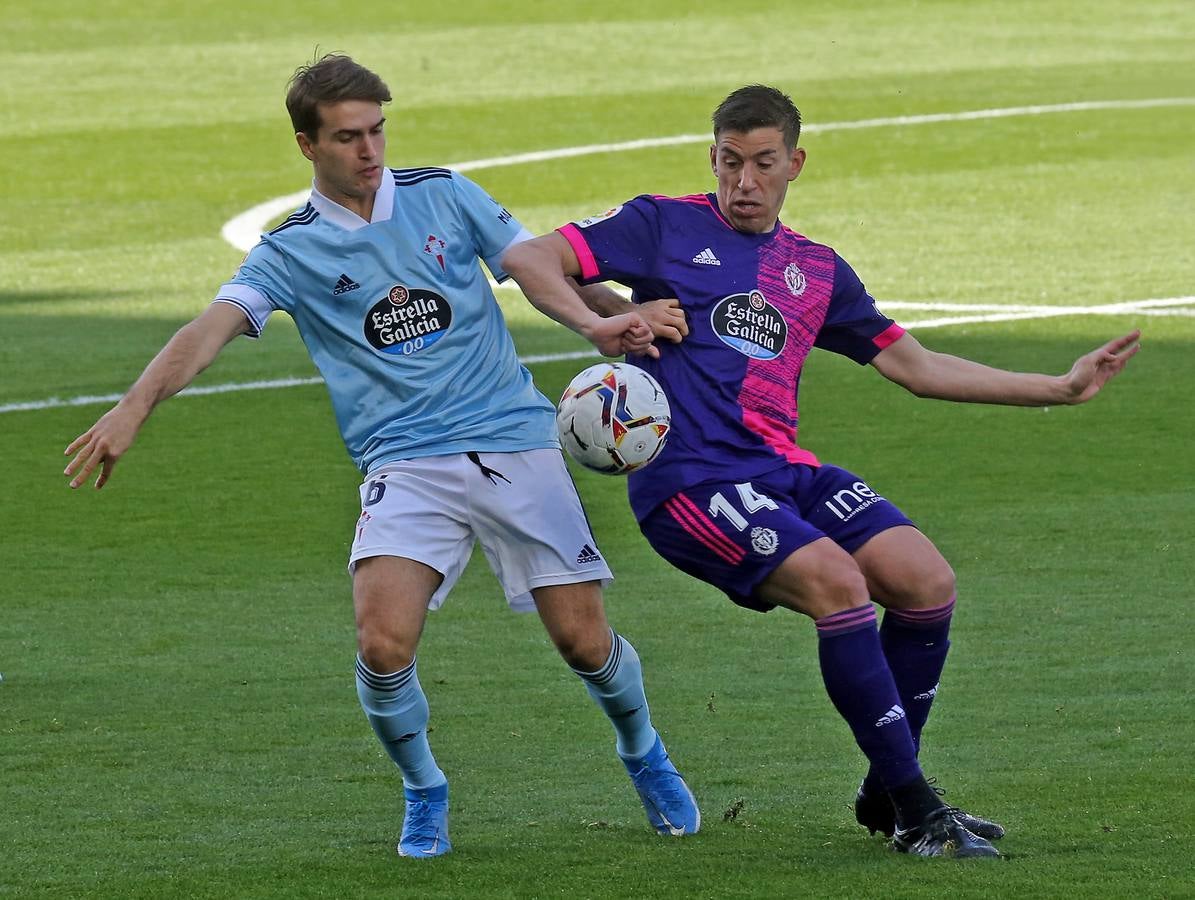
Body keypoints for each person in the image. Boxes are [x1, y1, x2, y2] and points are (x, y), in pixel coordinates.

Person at [62, 53, 701, 858]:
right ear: (306, 145)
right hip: (405, 463)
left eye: (376, 130)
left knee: (581, 641)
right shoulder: (290, 249)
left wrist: (606, 317)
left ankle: (643, 750)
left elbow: (532, 268)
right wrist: (132, 406)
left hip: (512, 437)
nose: (369, 150)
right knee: (381, 644)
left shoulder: (442, 194)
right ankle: (423, 788)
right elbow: (206, 332)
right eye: (346, 137)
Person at [503, 84, 1140, 859]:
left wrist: (1060, 389)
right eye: (728, 162)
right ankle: (915, 805)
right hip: (692, 483)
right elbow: (529, 257)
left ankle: (887, 789)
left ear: (793, 164)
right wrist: (600, 321)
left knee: (924, 580)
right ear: (711, 157)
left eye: (762, 163)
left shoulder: (813, 268)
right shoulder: (662, 224)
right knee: (838, 585)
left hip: (781, 469)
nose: (743, 181)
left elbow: (915, 365)